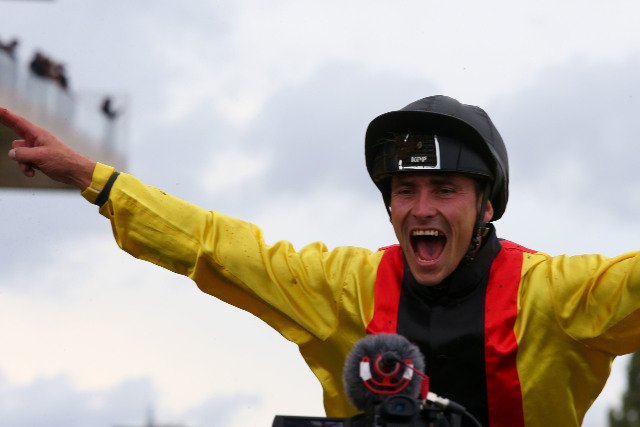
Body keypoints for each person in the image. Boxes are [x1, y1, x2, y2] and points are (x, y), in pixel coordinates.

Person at [1, 95, 639, 427]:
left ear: (488, 206)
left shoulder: (556, 296)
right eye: (405, 190)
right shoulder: (345, 288)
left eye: (445, 189)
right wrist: (93, 178)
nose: (422, 209)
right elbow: (213, 245)